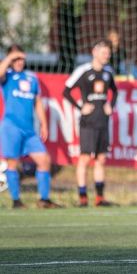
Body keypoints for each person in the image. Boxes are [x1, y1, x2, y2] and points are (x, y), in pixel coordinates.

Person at [0, 45, 62, 209]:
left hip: (29, 130)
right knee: (12, 163)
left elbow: (38, 101)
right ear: (10, 60)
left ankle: (44, 199)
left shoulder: (31, 77)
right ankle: (16, 200)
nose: (19, 62)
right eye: (15, 59)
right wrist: (9, 58)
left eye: (21, 58)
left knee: (44, 160)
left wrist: (44, 123)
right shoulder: (7, 76)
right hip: (11, 127)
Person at [63, 40, 118, 207]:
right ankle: (82, 197)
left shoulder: (109, 72)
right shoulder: (83, 71)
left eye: (108, 53)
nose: (106, 56)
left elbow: (114, 91)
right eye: (104, 52)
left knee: (101, 158)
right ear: (95, 52)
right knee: (85, 158)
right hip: (88, 122)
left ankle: (100, 198)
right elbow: (66, 91)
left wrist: (111, 104)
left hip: (103, 120)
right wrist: (80, 106)